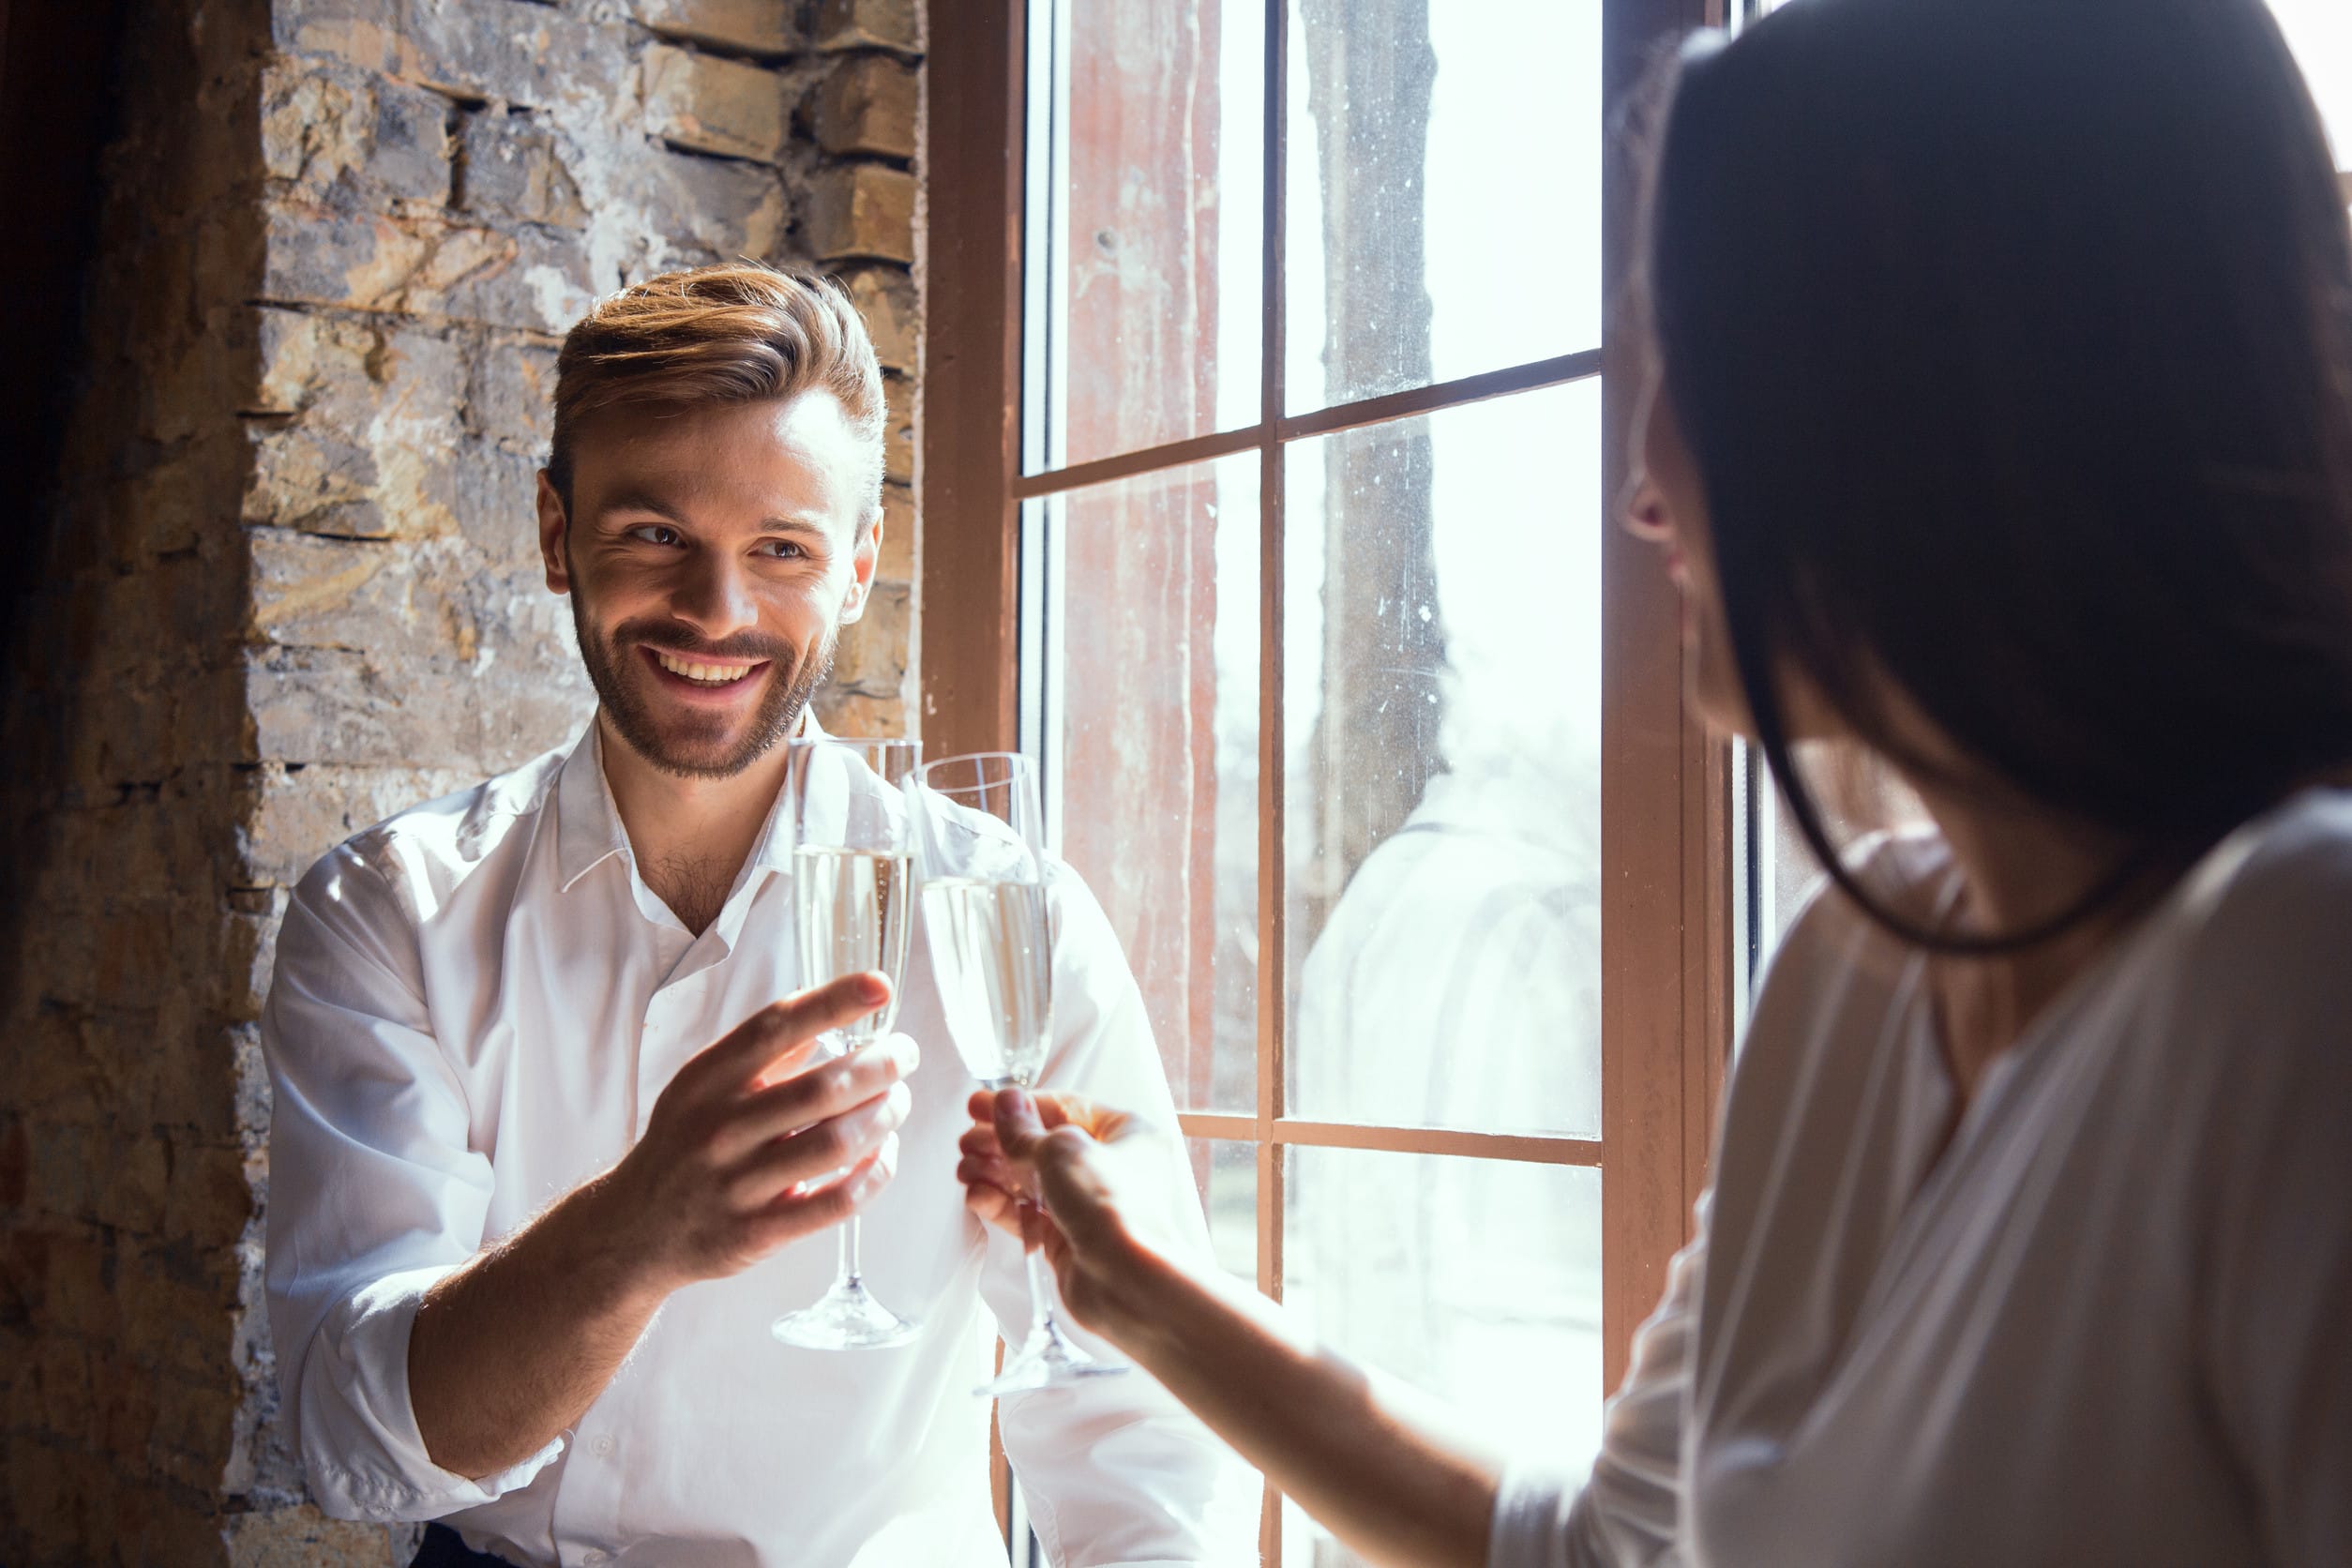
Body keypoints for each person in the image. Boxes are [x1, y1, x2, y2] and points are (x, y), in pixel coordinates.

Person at [956, 0, 2352, 1563]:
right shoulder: (1860, 965)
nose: (1641, 479)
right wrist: (1142, 1285)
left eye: (1691, 355)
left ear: (1938, 380)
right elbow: (1612, 1545)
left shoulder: (2301, 968)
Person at [260, 264, 1257, 1568]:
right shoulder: (388, 911)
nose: (716, 612)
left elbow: (1138, 1429)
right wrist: (639, 1229)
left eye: (780, 549)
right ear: (558, 537)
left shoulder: (1007, 919)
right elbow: (351, 1439)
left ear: (858, 566)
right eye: (653, 536)